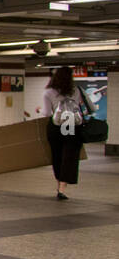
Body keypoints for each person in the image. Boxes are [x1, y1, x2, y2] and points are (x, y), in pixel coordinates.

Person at [44, 65, 91, 200]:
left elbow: (46, 113)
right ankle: (62, 188)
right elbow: (90, 108)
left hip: (55, 127)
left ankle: (59, 182)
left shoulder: (49, 92)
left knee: (57, 156)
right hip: (71, 125)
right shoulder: (77, 90)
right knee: (69, 157)